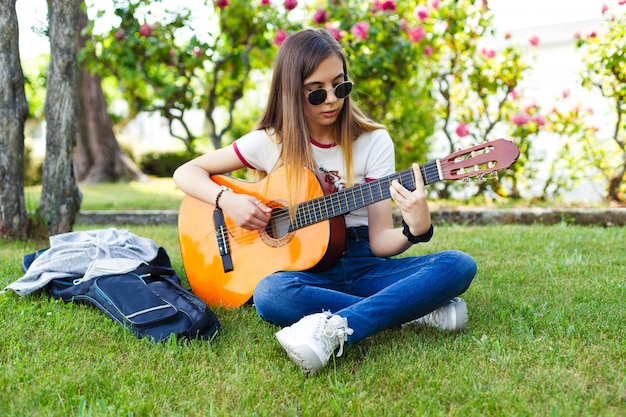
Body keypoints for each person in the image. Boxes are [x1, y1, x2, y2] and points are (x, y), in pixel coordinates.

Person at [173, 27, 477, 375]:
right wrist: (227, 200)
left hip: (364, 263)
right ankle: (414, 312)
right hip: (305, 274)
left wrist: (415, 228)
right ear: (291, 94)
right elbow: (186, 172)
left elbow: (380, 241)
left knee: (458, 264)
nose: (332, 99)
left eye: (340, 86)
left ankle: (337, 326)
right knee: (271, 294)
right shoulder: (270, 142)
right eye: (316, 93)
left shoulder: (374, 142)